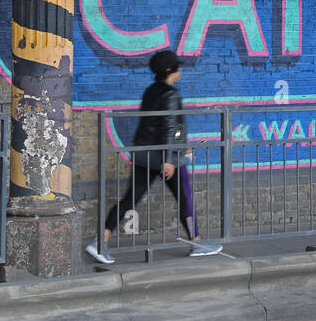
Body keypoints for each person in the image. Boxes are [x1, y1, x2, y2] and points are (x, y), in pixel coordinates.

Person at [86, 50, 222, 263]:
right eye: (178, 67)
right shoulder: (171, 94)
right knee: (185, 198)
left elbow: (160, 126)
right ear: (170, 71)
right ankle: (196, 243)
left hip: (143, 155)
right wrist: (169, 158)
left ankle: (100, 242)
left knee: (130, 199)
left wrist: (182, 147)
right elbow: (169, 126)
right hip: (167, 159)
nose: (181, 70)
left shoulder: (151, 91)